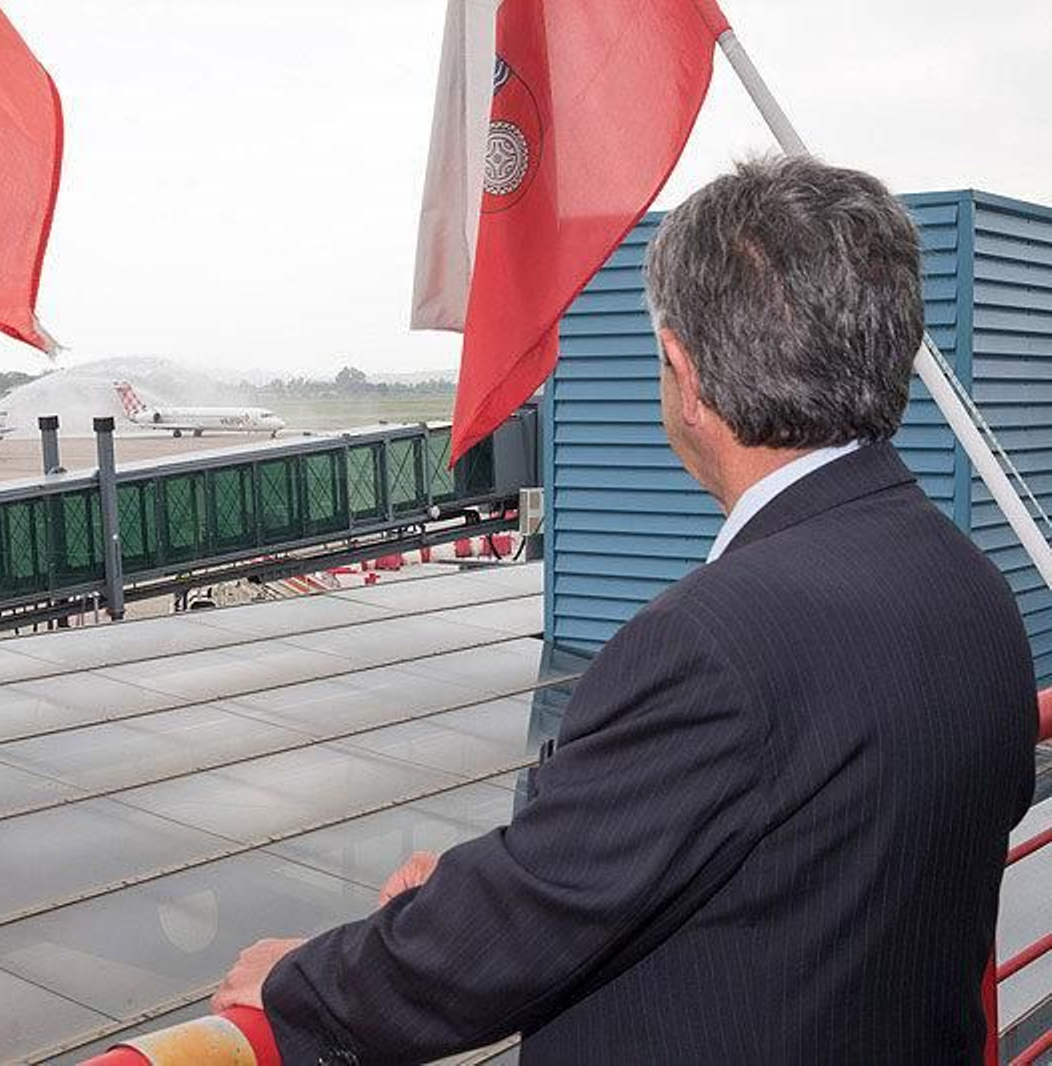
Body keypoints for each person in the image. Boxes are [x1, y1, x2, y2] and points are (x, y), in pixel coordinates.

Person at [213, 156, 1039, 1063]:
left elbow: (524, 927)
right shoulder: (968, 581)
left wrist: (303, 982)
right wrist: (550, 849)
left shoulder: (713, 644)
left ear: (686, 375)